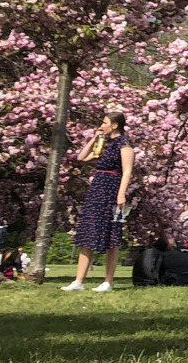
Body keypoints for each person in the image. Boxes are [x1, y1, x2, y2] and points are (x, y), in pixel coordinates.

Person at [61, 111, 135, 292]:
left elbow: (127, 171)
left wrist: (121, 194)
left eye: (105, 122)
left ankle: (108, 281)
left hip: (112, 187)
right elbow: (81, 158)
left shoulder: (124, 145)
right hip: (97, 188)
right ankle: (79, 280)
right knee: (89, 230)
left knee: (112, 234)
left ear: (115, 125)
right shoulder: (106, 144)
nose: (102, 125)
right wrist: (94, 138)